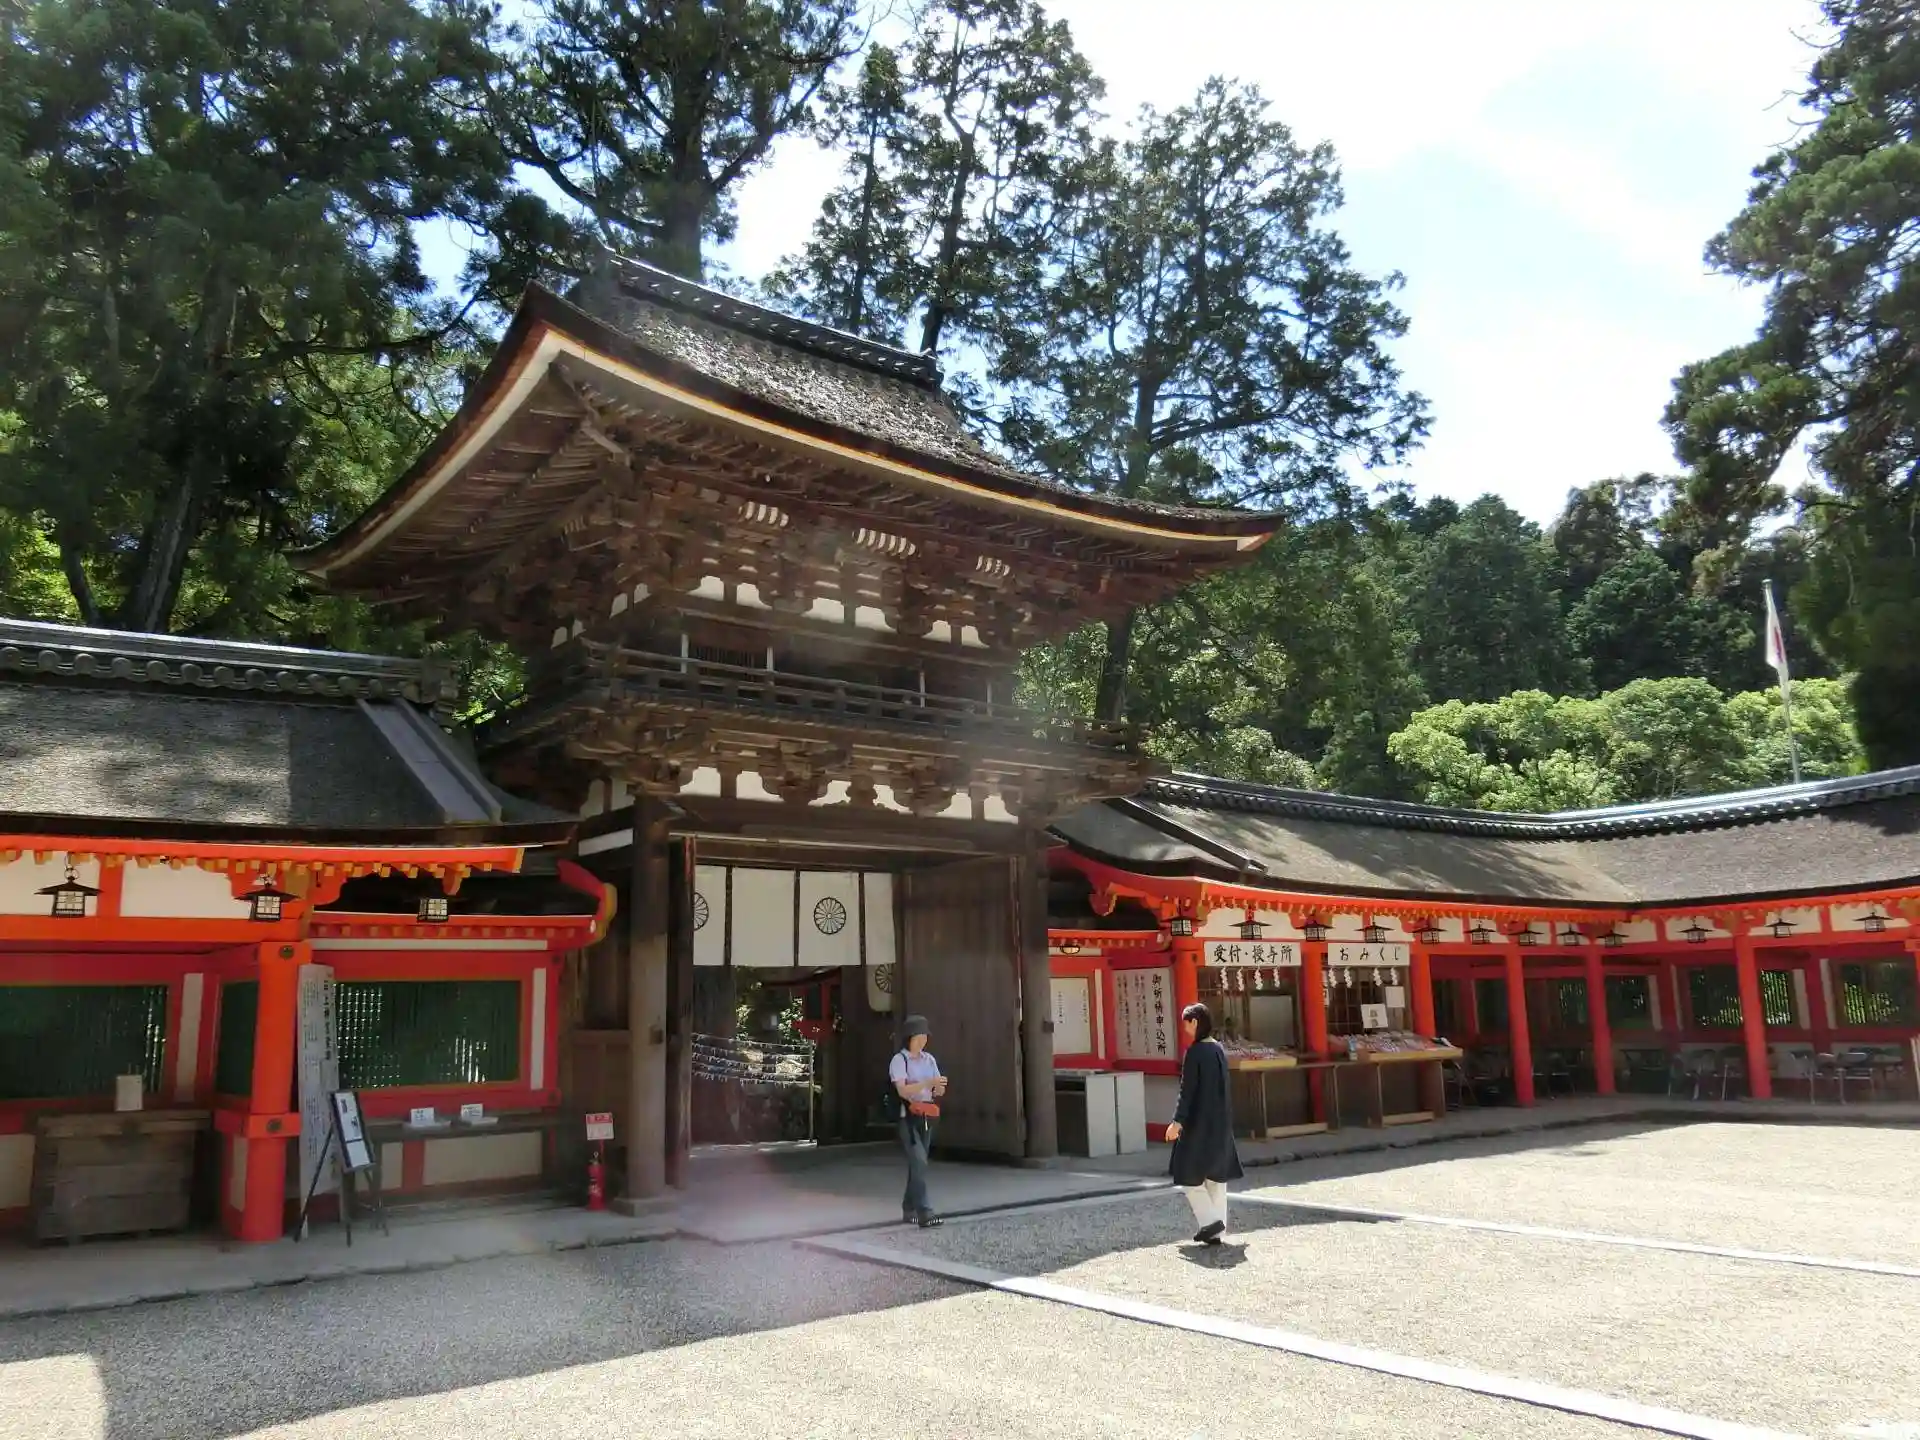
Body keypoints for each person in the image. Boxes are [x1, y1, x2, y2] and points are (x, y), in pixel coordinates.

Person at [1162, 1001, 1243, 1244]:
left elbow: (1187, 1092)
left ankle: (1209, 1222)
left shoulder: (1195, 1052)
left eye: (1186, 1024)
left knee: (1187, 1173)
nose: (1185, 1029)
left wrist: (1177, 1122)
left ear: (1195, 1022)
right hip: (1220, 1122)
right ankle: (1217, 1230)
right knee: (1216, 1179)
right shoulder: (1218, 1049)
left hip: (1198, 1123)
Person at [889, 1015, 946, 1228]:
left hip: (926, 1115)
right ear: (909, 1038)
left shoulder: (929, 1059)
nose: (923, 1041)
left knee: (917, 1165)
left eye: (925, 1037)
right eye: (919, 1037)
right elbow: (902, 1090)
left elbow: (937, 1090)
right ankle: (925, 1212)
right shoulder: (899, 1060)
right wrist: (927, 1083)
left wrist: (938, 1086)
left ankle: (908, 1208)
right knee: (920, 1161)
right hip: (907, 1116)